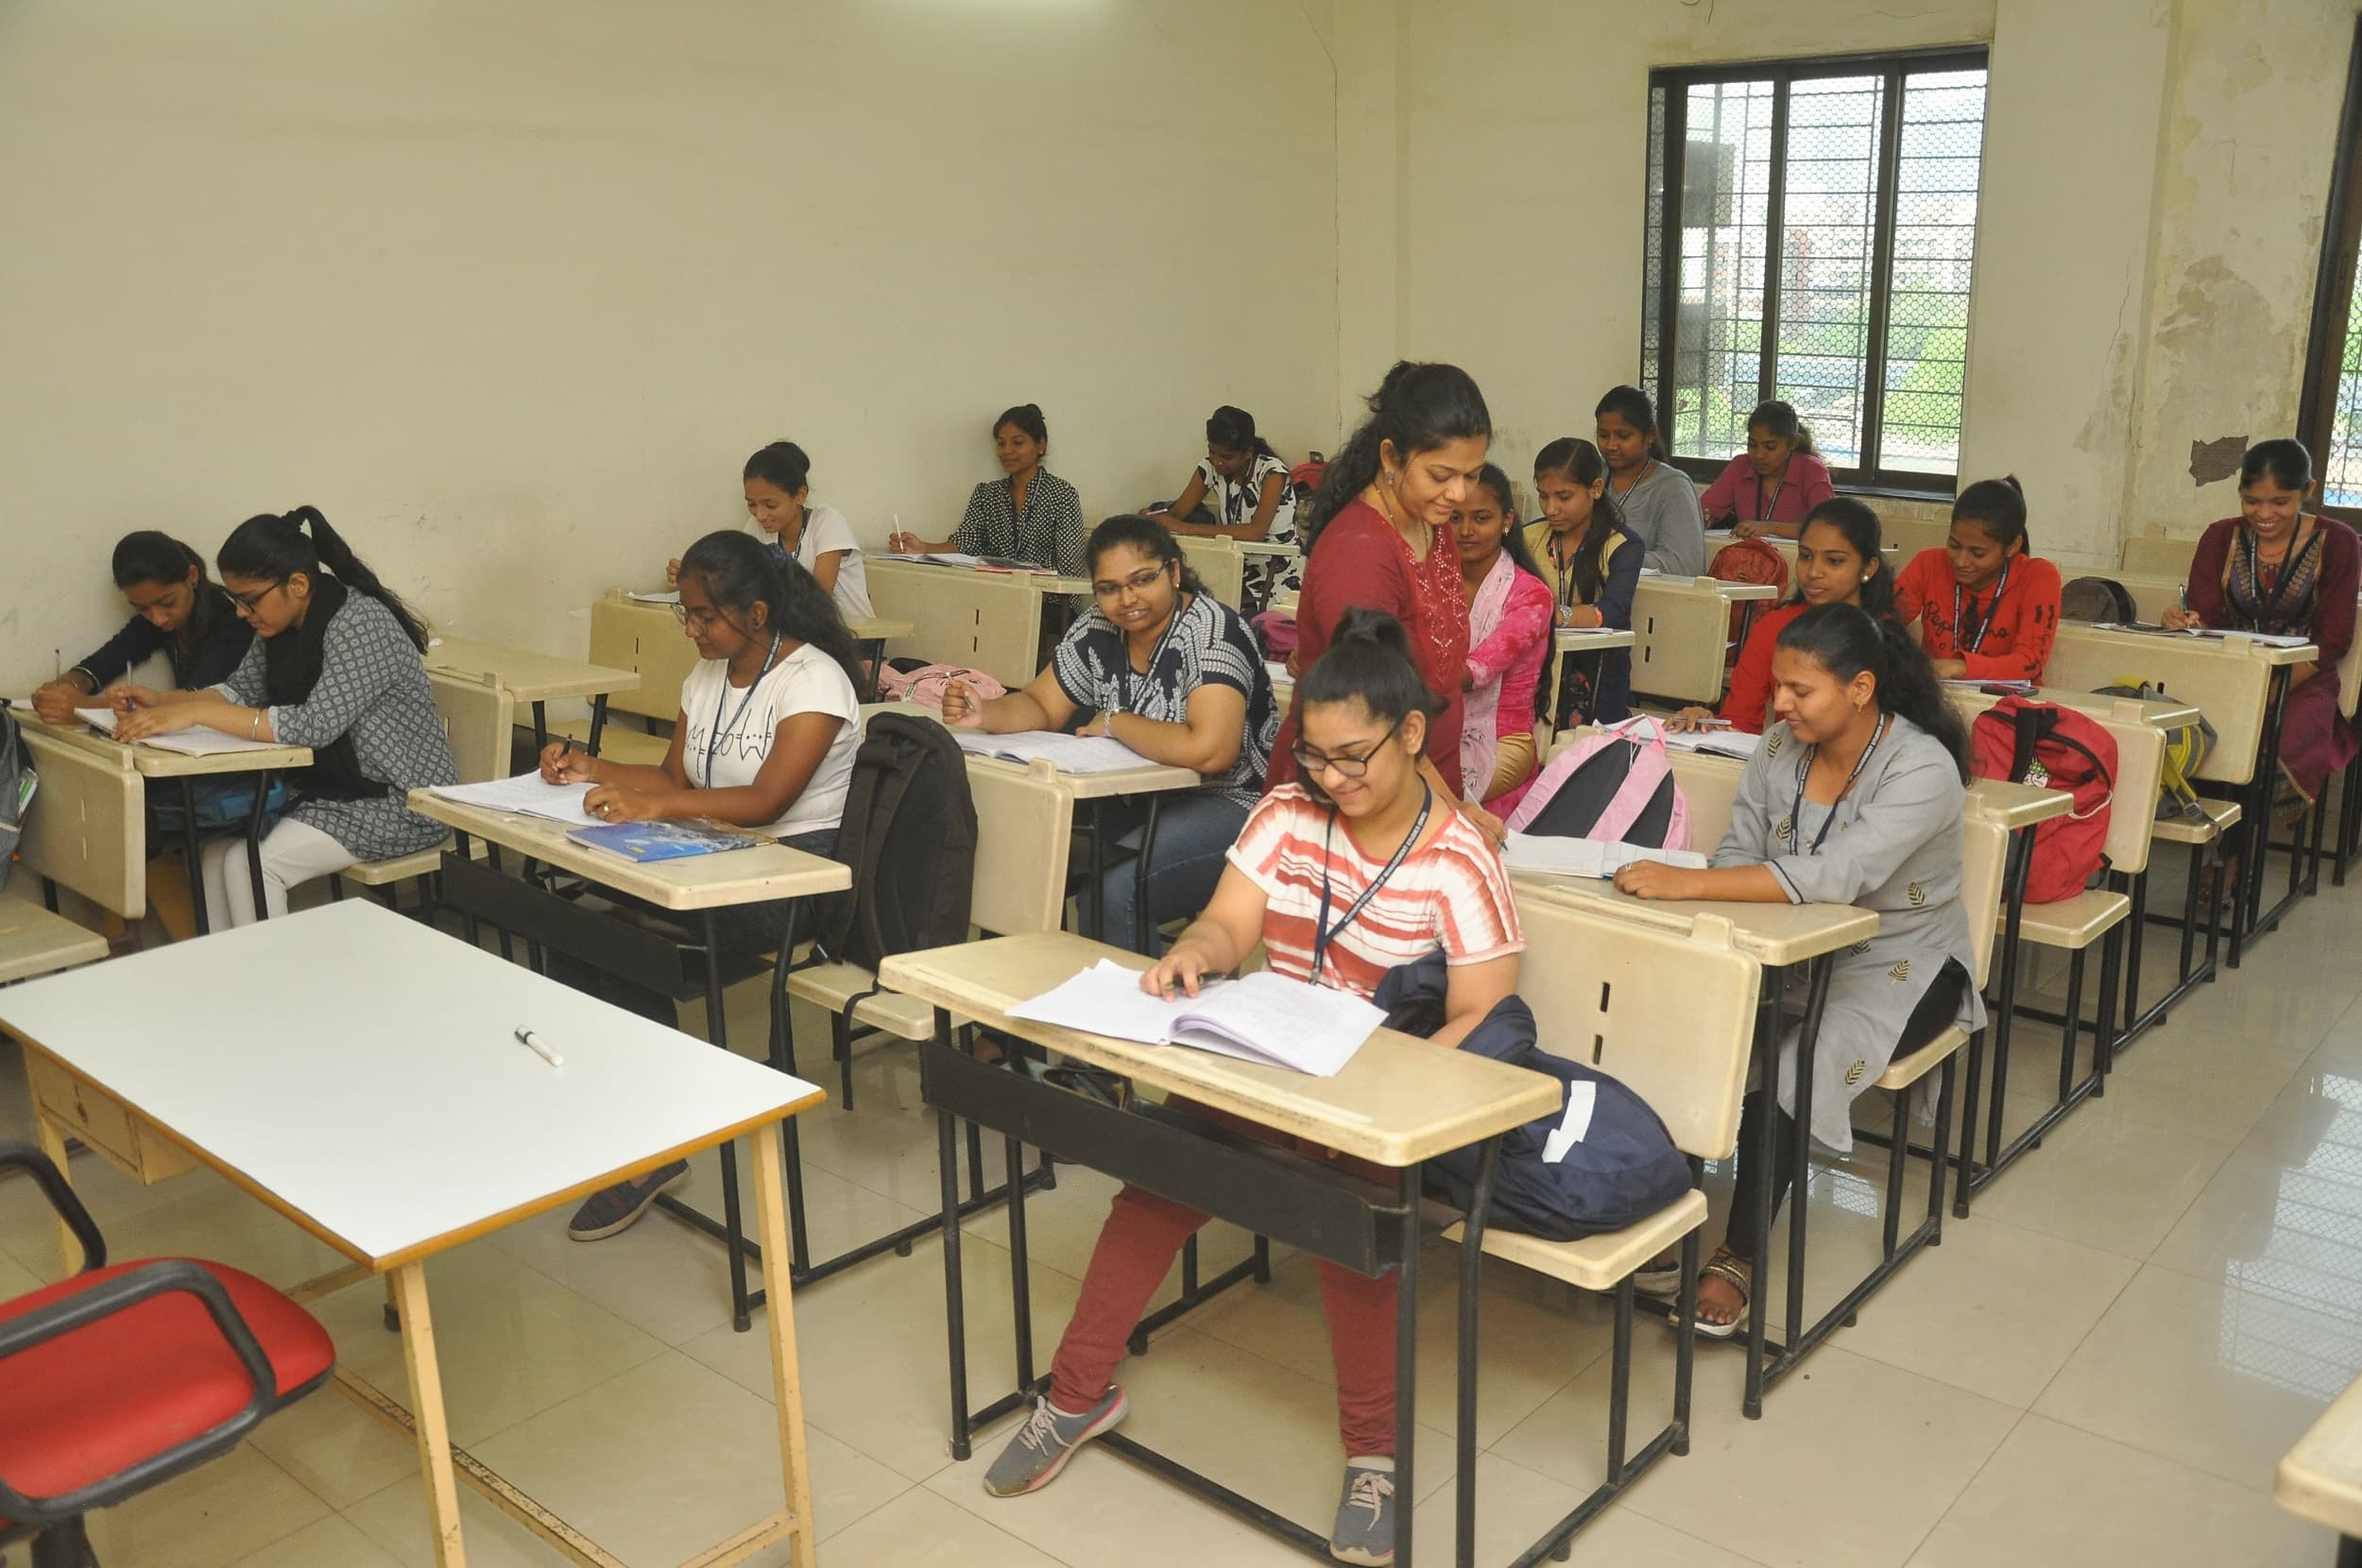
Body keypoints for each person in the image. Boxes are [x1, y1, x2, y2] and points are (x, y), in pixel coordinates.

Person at [980, 608, 1523, 1568]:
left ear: (1408, 735)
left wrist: (1389, 1091)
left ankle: (1375, 1456)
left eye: (1354, 756)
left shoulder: (1458, 858)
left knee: (1348, 1237)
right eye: (1313, 758)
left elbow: (1482, 1011)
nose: (1333, 779)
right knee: (1151, 1186)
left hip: (1370, 1090)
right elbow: (1231, 925)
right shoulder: (1284, 813)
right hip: (1257, 1057)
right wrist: (1194, 951)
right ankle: (1075, 1394)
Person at [1616, 604, 1982, 1337]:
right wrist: (1716, 925)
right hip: (1786, 944)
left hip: (1902, 961)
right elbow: (1739, 848)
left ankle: (1738, 1256)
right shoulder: (1782, 748)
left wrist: (1687, 885)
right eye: (1779, 686)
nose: (1779, 705)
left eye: (1800, 691)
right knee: (1673, 1026)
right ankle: (1641, 1216)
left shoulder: (1921, 767)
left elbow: (1839, 874)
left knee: (1794, 1065)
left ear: (1861, 688)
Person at [540, 529, 864, 1239]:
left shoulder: (814, 681)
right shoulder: (706, 676)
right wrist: (592, 768)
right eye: (684, 614)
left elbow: (767, 803)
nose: (692, 630)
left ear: (755, 613)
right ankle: (640, 1124)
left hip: (795, 876)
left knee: (615, 934)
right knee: (568, 923)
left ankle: (658, 1135)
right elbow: (672, 780)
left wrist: (656, 807)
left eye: (704, 617)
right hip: (712, 857)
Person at [941, 515, 1277, 950]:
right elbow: (1042, 705)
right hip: (1143, 799)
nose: (1127, 599)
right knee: (1021, 856)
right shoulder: (1098, 630)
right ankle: (1023, 999)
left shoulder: (1212, 634)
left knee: (1114, 891)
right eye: (1109, 589)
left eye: (1142, 580)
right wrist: (985, 711)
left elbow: (1212, 751)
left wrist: (1116, 722)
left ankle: (1137, 1014)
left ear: (1173, 573)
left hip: (1236, 804)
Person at [111, 508, 457, 928]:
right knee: (214, 852)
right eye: (237, 600)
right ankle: (232, 982)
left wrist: (196, 712)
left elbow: (315, 726)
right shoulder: (278, 623)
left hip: (402, 802)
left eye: (249, 599)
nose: (241, 612)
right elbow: (239, 690)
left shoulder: (361, 623)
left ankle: (270, 987)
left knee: (252, 864)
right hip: (329, 794)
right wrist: (165, 703)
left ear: (297, 584)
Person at [1268, 361, 1492, 836]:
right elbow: (1373, 709)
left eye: (1472, 475)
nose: (1458, 493)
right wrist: (1447, 813)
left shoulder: (1433, 527)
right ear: (1390, 457)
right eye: (1441, 474)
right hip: (1351, 794)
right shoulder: (1360, 551)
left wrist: (1447, 801)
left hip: (1419, 786)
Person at [28, 531, 259, 943]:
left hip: (243, 762)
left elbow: (198, 703)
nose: (157, 618)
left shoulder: (233, 621)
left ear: (192, 576)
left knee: (135, 826)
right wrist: (68, 685)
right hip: (192, 755)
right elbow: (111, 656)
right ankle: (122, 940)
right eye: (142, 608)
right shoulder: (165, 616)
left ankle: (183, 949)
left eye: (165, 603)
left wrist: (80, 708)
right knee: (108, 809)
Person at [2164, 438, 2360, 808]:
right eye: (2252, 501)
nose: (2264, 513)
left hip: (2303, 677)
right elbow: (2207, 615)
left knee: (2268, 735)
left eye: (2280, 501)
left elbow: (2333, 639)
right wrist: (2183, 619)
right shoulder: (2221, 536)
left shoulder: (2338, 542)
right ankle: (2211, 830)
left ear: (2308, 491)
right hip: (2229, 669)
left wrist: (2270, 689)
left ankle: (2236, 853)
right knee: (2191, 726)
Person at [1678, 498, 1891, 734]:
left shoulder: (1887, 639)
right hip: (1788, 764)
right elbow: (1740, 722)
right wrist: (1707, 724)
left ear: (1868, 568)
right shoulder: (1775, 627)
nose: (1813, 572)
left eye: (1834, 561)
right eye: (1806, 556)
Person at [668, 441, 872, 621]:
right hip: (794, 638)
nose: (760, 515)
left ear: (800, 495)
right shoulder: (757, 528)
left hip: (852, 641)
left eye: (770, 505)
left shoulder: (827, 522)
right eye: (752, 505)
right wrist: (694, 578)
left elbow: (817, 600)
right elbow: (738, 581)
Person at [1517, 437, 1643, 725]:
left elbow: (1613, 610)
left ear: (1595, 489)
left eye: (1564, 497)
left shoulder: (1623, 545)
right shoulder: (1527, 538)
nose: (1551, 509)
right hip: (1536, 666)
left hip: (1598, 674)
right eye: (1543, 496)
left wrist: (1556, 615)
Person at [1891, 476, 2060, 684]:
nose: (1961, 561)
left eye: (1977, 553)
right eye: (1954, 545)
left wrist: (1958, 667)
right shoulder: (1929, 563)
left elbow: (2029, 662)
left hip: (2009, 705)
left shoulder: (2038, 576)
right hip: (1935, 697)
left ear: (2012, 547)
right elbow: (1882, 622)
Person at [886, 403, 1086, 577]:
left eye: (1018, 443)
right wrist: (922, 548)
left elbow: (1070, 570)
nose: (1007, 451)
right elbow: (965, 543)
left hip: (1048, 605)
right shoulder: (987, 494)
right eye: (1001, 443)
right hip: (994, 598)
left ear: (1040, 444)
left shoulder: (1062, 494)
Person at [1453, 464, 1552, 810]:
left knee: (1420, 796)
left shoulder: (1531, 595)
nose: (1465, 530)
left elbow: (1475, 671)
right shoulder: (1433, 582)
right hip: (1437, 727)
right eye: (1455, 518)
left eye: (1481, 518)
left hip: (1504, 741)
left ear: (1506, 520)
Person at [1153, 404, 1300, 599]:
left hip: (1275, 568)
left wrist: (1187, 528)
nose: (1217, 461)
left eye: (1226, 457)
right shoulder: (1210, 468)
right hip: (1232, 562)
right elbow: (1176, 515)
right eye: (1212, 452)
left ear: (1248, 452)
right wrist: (1153, 520)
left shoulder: (1272, 473)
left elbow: (1255, 532)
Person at [1595, 384, 1703, 576]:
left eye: (1623, 436)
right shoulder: (1593, 475)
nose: (1611, 445)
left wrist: (1609, 555)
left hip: (1650, 600)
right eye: (1603, 435)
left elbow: (1685, 566)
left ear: (1650, 435)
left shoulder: (1673, 487)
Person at [1699, 401, 1837, 540]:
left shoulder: (1813, 470)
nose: (1759, 455)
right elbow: (1702, 511)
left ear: (1793, 443)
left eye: (1770, 446)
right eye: (1752, 445)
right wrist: (1702, 519)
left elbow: (1825, 528)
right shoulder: (1740, 466)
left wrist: (1770, 527)